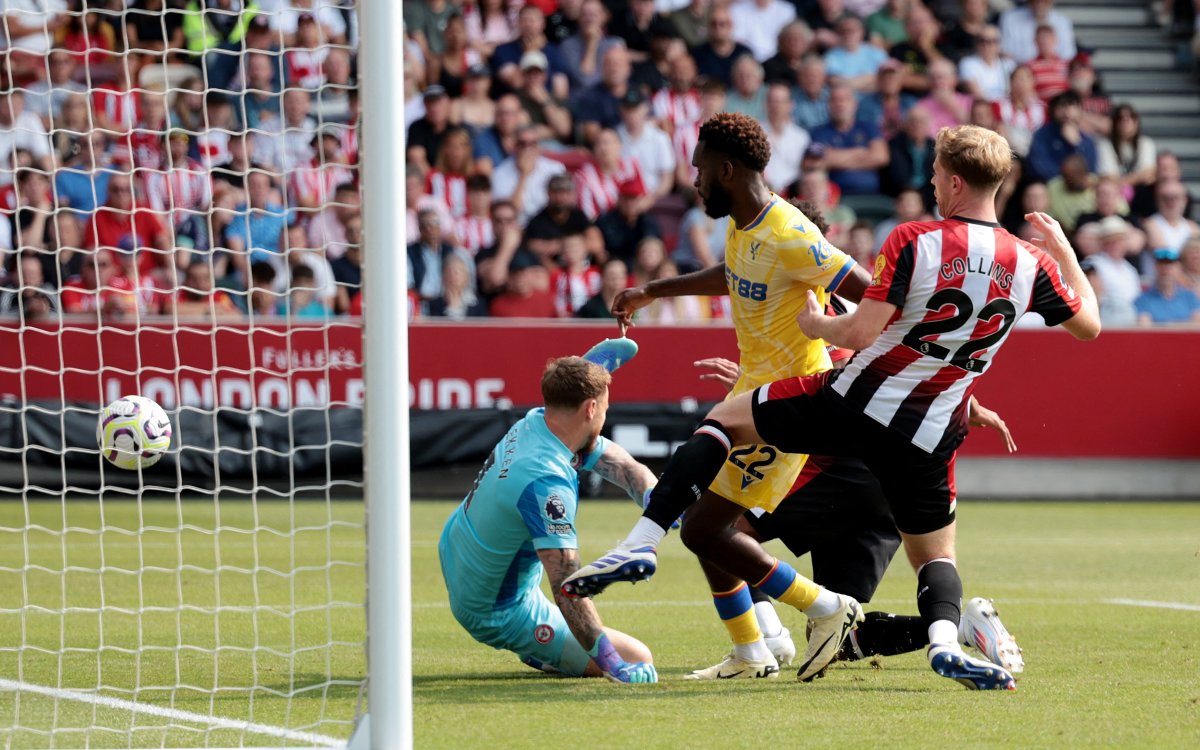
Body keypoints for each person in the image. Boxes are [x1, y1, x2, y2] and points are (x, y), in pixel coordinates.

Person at [566, 123, 1101, 692]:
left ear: (951, 179)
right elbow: (1088, 327)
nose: (931, 183)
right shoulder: (1030, 264)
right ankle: (946, 636)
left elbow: (872, 326)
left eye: (935, 175)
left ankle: (652, 551)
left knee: (721, 445)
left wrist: (821, 324)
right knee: (932, 558)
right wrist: (1064, 251)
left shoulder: (915, 239)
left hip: (853, 413)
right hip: (926, 434)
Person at [569, 112, 874, 683]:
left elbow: (871, 293)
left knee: (702, 521)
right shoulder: (744, 224)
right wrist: (654, 290)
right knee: (705, 528)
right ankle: (754, 650)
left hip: (792, 403)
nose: (694, 179)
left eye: (699, 168)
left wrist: (854, 344)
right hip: (752, 390)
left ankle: (827, 607)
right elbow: (733, 274)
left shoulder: (791, 233)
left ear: (727, 169)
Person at [437, 352, 659, 682]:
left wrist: (665, 507)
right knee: (639, 656)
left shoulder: (539, 421)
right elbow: (567, 588)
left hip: (458, 550)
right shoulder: (546, 485)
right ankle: (538, 648)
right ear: (591, 409)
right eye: (606, 408)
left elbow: (627, 468)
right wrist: (615, 665)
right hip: (495, 609)